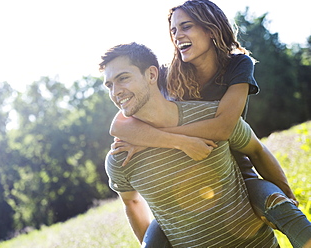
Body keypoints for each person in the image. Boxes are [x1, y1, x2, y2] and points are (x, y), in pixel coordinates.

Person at [108, 1, 311, 247]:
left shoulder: (237, 65)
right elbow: (119, 125)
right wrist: (162, 141)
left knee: (283, 207)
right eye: (173, 30)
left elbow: (224, 127)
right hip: (183, 183)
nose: (177, 36)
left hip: (237, 169)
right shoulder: (168, 72)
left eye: (186, 27)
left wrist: (154, 138)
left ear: (211, 29)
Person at [100, 42, 281, 247]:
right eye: (109, 85)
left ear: (152, 75)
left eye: (123, 78)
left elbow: (252, 146)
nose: (116, 92)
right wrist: (179, 142)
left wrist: (288, 199)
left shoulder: (212, 114)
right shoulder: (122, 155)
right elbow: (131, 202)